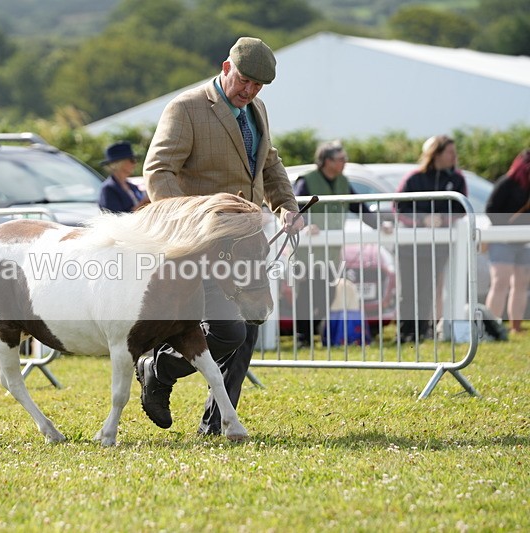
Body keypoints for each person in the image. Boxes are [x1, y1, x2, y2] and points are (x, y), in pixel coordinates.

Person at [137, 36, 304, 435]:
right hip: (202, 242)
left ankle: (215, 424)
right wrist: (189, 222)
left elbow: (269, 162)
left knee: (248, 325)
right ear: (226, 67)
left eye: (258, 86)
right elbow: (158, 170)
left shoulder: (257, 109)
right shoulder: (186, 108)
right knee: (228, 329)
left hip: (246, 241)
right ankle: (157, 368)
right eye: (244, 80)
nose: (249, 91)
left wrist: (287, 206)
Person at [292, 140, 382, 347]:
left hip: (332, 252)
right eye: (341, 159)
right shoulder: (307, 180)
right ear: (327, 161)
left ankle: (313, 334)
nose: (345, 162)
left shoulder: (343, 181)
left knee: (328, 292)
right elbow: (295, 207)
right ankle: (301, 337)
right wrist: (306, 225)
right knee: (308, 292)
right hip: (308, 251)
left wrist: (381, 225)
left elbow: (359, 208)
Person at [395, 134, 468, 343]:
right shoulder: (413, 178)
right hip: (410, 247)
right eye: (450, 152)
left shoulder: (457, 179)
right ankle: (405, 333)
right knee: (408, 290)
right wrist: (423, 220)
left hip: (438, 247)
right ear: (435, 154)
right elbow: (399, 208)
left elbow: (461, 209)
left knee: (427, 290)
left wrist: (443, 220)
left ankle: (421, 332)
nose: (455, 156)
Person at [484, 148, 530, 334]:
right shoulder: (507, 183)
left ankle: (515, 327)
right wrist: (509, 228)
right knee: (500, 282)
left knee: (521, 284)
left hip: (525, 241)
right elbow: (491, 210)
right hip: (502, 239)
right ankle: (491, 326)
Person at [98, 141, 149, 213]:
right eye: (132, 160)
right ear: (119, 163)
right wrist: (143, 203)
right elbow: (114, 218)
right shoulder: (108, 189)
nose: (135, 163)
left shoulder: (132, 186)